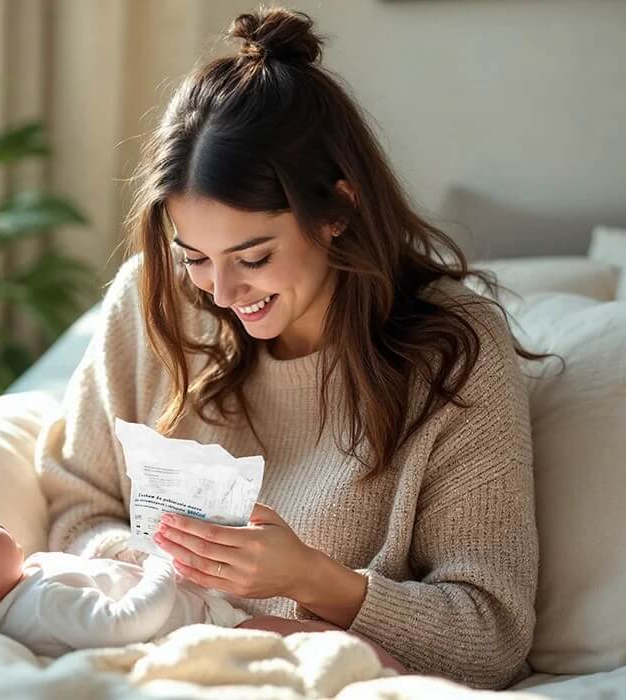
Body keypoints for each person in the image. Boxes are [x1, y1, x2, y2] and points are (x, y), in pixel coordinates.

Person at [37, 6, 543, 690]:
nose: (220, 291)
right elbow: (74, 504)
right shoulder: (154, 300)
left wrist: (313, 579)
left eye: (253, 255)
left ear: (336, 210)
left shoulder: (453, 354)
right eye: (196, 256)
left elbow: (490, 638)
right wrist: (156, 569)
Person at [0, 505, 253, 657]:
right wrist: (161, 563)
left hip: (200, 607)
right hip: (210, 624)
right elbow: (125, 621)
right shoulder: (43, 605)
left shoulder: (24, 592)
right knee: (312, 635)